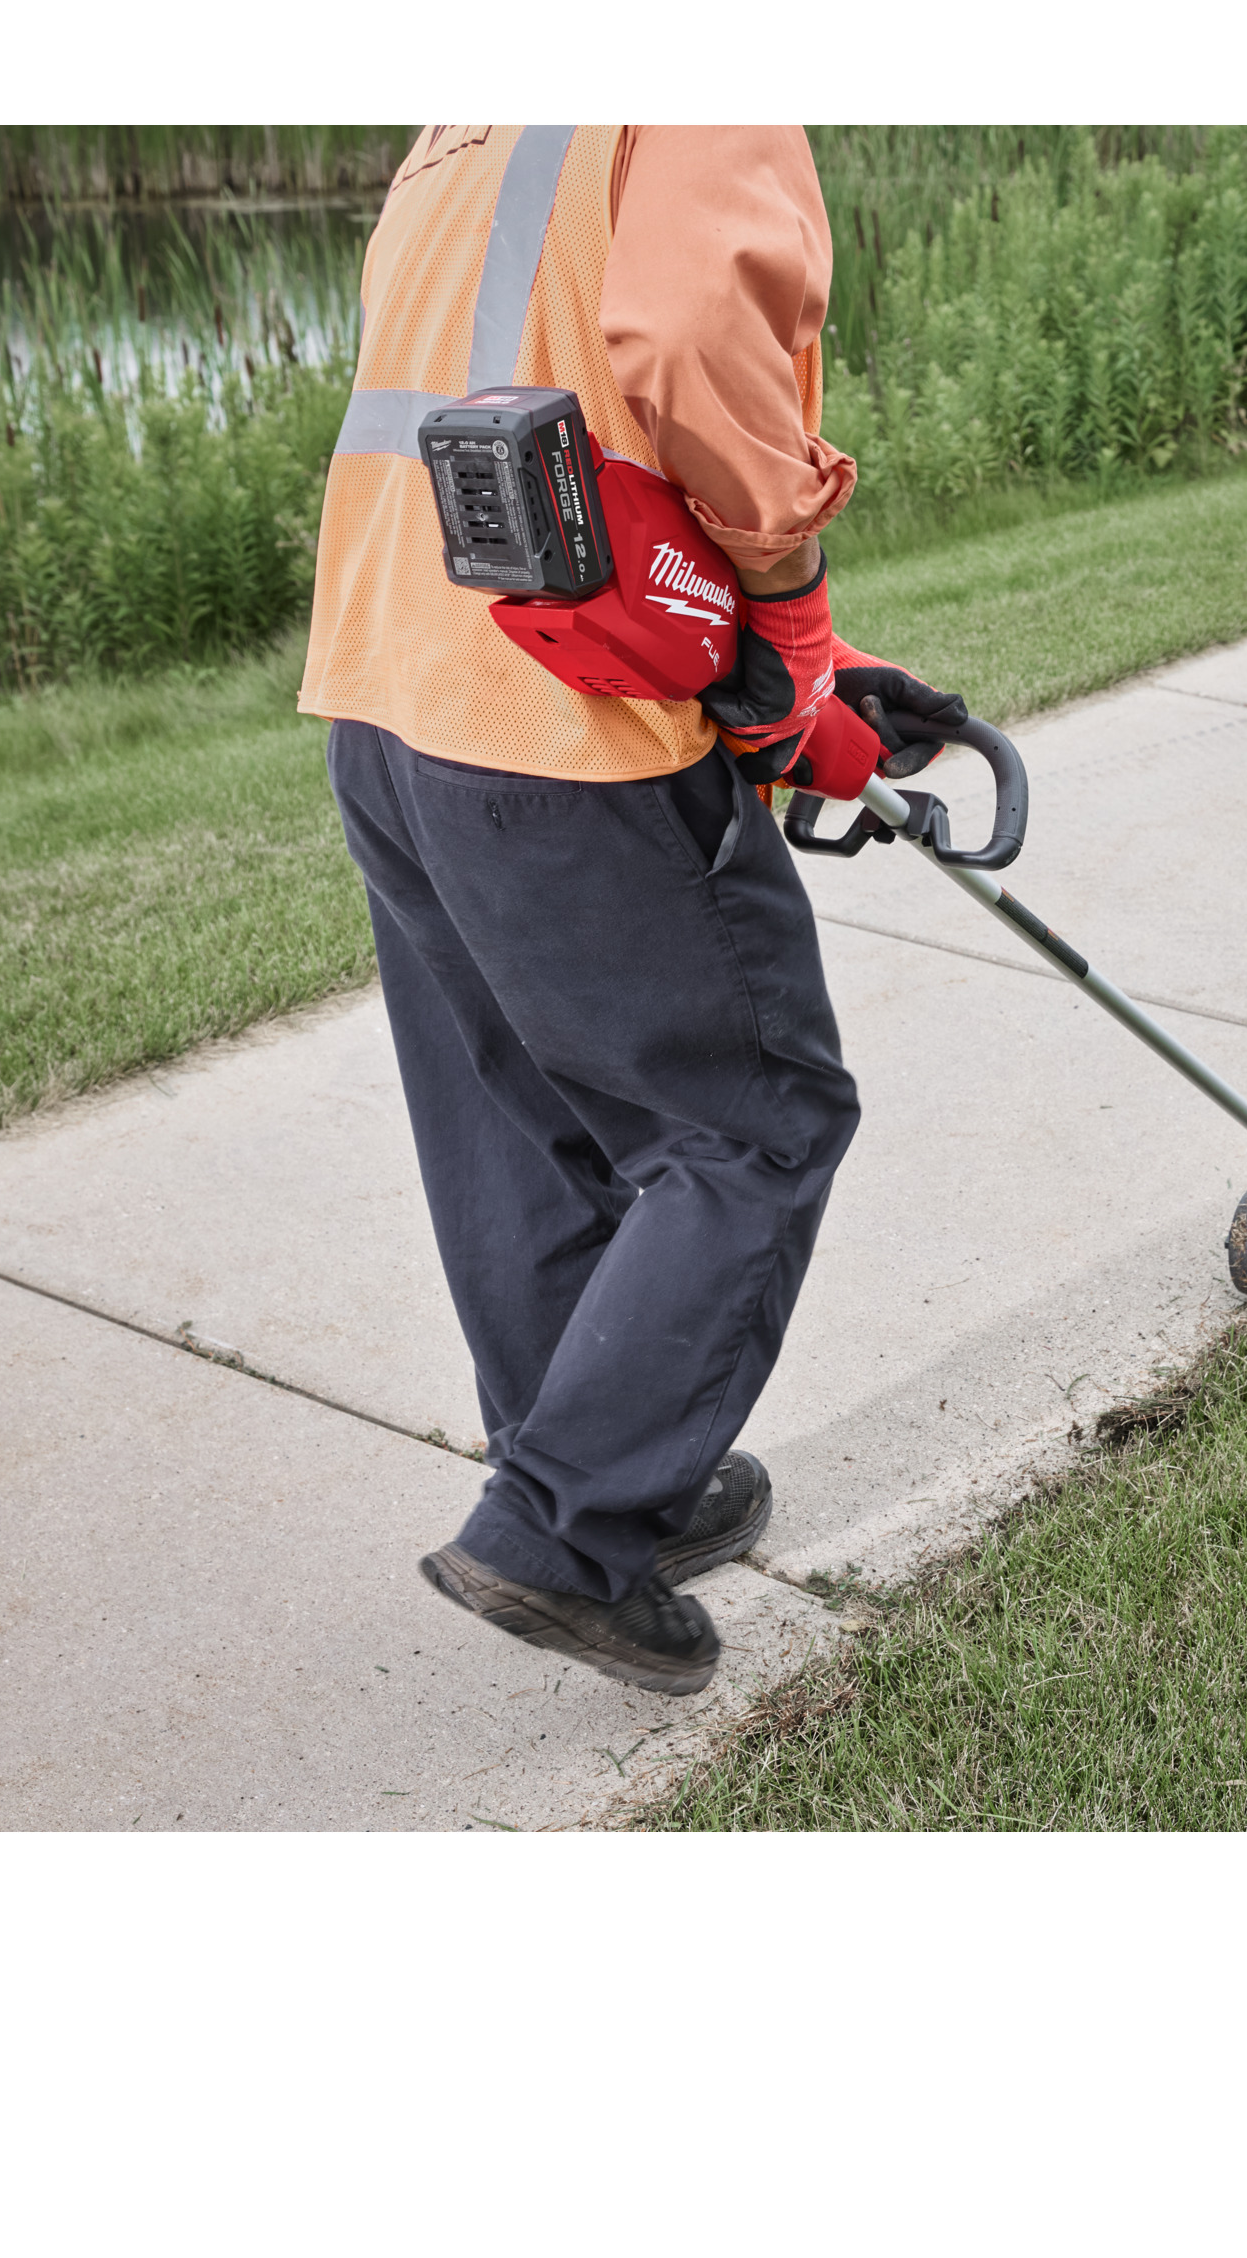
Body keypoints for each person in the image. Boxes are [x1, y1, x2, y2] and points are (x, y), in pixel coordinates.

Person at [299, 127, 962, 1697]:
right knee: (755, 1124)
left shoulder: (472, 123)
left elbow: (550, 395)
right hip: (560, 732)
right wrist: (783, 608)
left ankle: (605, 1474)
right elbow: (687, 339)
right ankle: (567, 1528)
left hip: (392, 697)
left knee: (517, 1122)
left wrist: (777, 661)